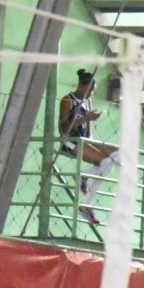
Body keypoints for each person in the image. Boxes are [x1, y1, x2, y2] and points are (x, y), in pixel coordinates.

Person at [56, 68, 120, 226]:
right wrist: (85, 118)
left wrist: (95, 142)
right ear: (82, 86)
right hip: (70, 140)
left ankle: (85, 176)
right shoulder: (67, 100)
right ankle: (86, 205)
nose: (92, 93)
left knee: (118, 154)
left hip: (84, 139)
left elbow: (88, 129)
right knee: (106, 162)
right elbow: (63, 128)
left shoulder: (88, 101)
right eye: (91, 89)